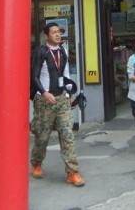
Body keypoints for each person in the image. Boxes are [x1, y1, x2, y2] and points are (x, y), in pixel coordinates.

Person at [30, 22, 84, 187]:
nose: (58, 35)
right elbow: (34, 76)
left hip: (61, 100)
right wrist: (44, 93)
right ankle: (37, 163)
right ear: (46, 36)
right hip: (44, 100)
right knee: (42, 136)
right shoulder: (41, 52)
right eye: (53, 32)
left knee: (67, 134)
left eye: (59, 32)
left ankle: (72, 172)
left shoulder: (63, 51)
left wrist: (69, 93)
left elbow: (65, 75)